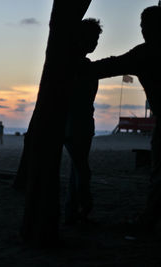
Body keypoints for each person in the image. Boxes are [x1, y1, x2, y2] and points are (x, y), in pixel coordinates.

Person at [90, 6, 161, 230]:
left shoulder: (146, 53)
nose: (143, 30)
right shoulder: (144, 54)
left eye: (146, 26)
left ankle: (150, 219)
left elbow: (111, 65)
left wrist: (79, 67)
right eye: (142, 26)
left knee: (159, 174)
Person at [64, 18, 103, 224]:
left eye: (97, 39)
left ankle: (73, 212)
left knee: (77, 169)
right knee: (81, 169)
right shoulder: (72, 65)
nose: (95, 43)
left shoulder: (83, 65)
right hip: (74, 125)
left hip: (82, 124)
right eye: (92, 38)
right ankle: (81, 209)